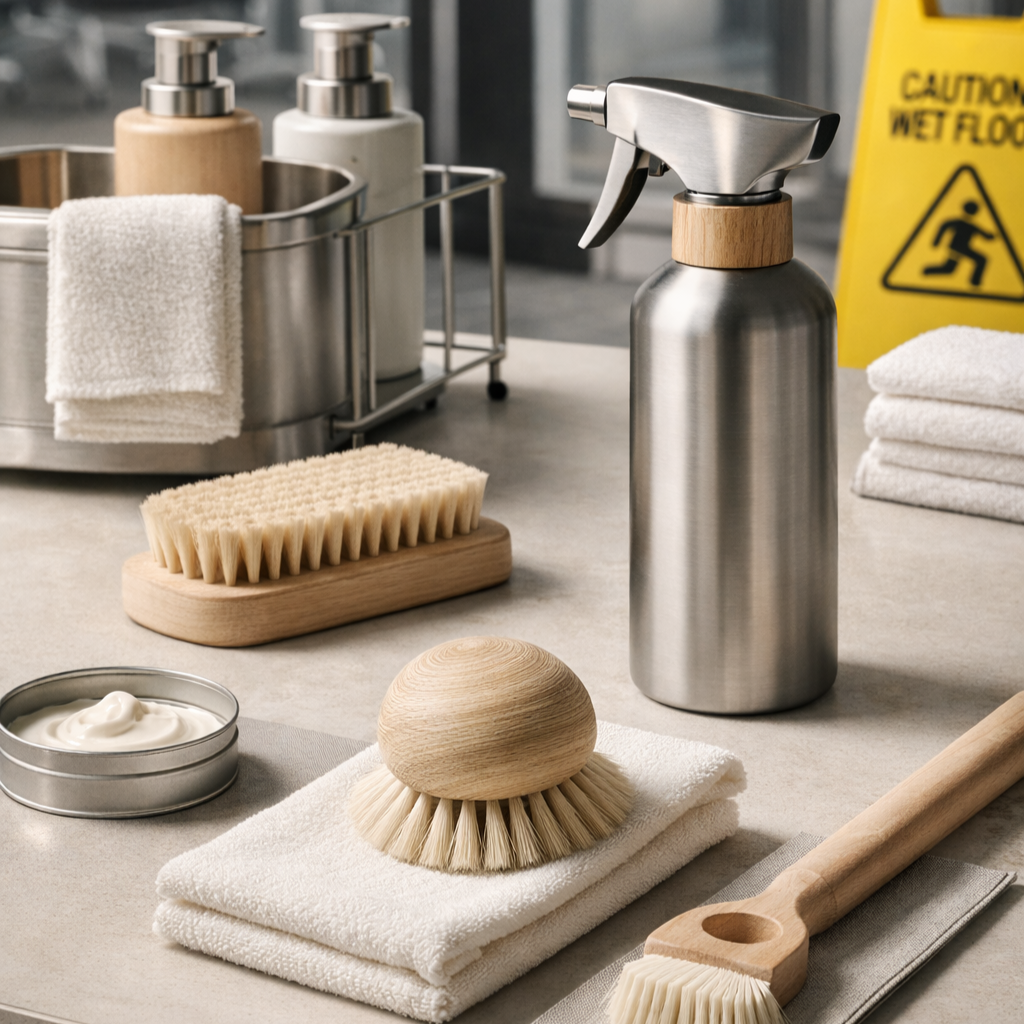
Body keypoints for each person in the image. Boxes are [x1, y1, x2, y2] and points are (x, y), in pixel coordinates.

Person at [923, 200, 995, 287]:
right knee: (980, 260)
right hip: (958, 249)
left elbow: (986, 236)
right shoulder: (962, 224)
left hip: (961, 248)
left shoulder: (970, 226)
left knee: (950, 269)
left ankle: (927, 271)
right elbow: (944, 225)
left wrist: (937, 241)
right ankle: (974, 282)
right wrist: (937, 241)